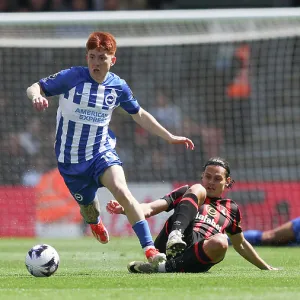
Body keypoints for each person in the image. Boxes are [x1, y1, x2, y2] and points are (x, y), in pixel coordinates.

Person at [26, 31, 194, 267]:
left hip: (101, 152)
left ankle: (150, 250)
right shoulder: (72, 77)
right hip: (70, 161)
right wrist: (36, 97)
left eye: (102, 58)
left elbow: (140, 114)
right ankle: (94, 222)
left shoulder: (118, 86)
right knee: (89, 210)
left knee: (122, 191)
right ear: (87, 57)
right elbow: (35, 87)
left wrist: (169, 136)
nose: (96, 62)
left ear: (112, 60)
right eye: (92, 57)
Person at [107, 157, 278, 273]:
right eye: (207, 177)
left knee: (221, 241)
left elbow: (240, 244)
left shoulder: (231, 208)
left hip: (197, 255)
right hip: (169, 245)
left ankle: (160, 268)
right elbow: (150, 209)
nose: (211, 182)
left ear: (227, 182)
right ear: (202, 176)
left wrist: (265, 267)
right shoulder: (188, 191)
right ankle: (176, 235)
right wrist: (126, 208)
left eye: (217, 179)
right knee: (197, 189)